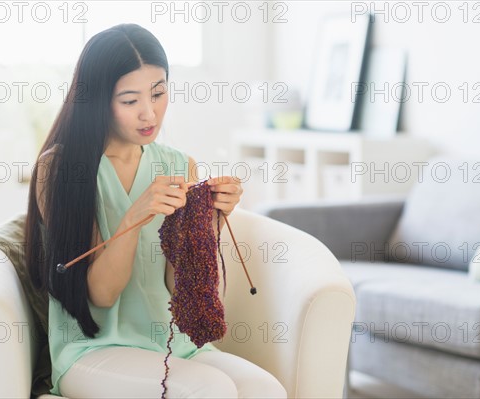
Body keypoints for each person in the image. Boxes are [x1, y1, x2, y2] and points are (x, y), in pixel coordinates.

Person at [25, 23, 287, 398]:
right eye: (130, 101)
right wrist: (135, 216)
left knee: (266, 391)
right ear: (98, 99)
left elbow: (176, 287)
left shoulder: (180, 165)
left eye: (159, 93)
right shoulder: (62, 169)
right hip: (95, 350)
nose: (149, 113)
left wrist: (208, 221)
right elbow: (101, 294)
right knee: (210, 389)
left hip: (172, 344)